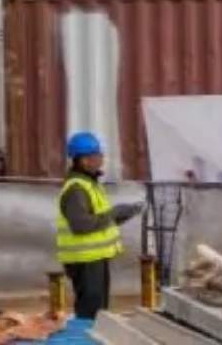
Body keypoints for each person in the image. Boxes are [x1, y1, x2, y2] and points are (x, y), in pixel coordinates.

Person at [56, 132, 141, 320]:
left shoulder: (90, 184)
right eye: (98, 155)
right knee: (90, 311)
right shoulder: (77, 188)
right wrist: (114, 212)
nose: (102, 159)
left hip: (94, 258)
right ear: (85, 161)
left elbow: (100, 220)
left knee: (99, 311)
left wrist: (124, 213)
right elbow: (81, 225)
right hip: (85, 260)